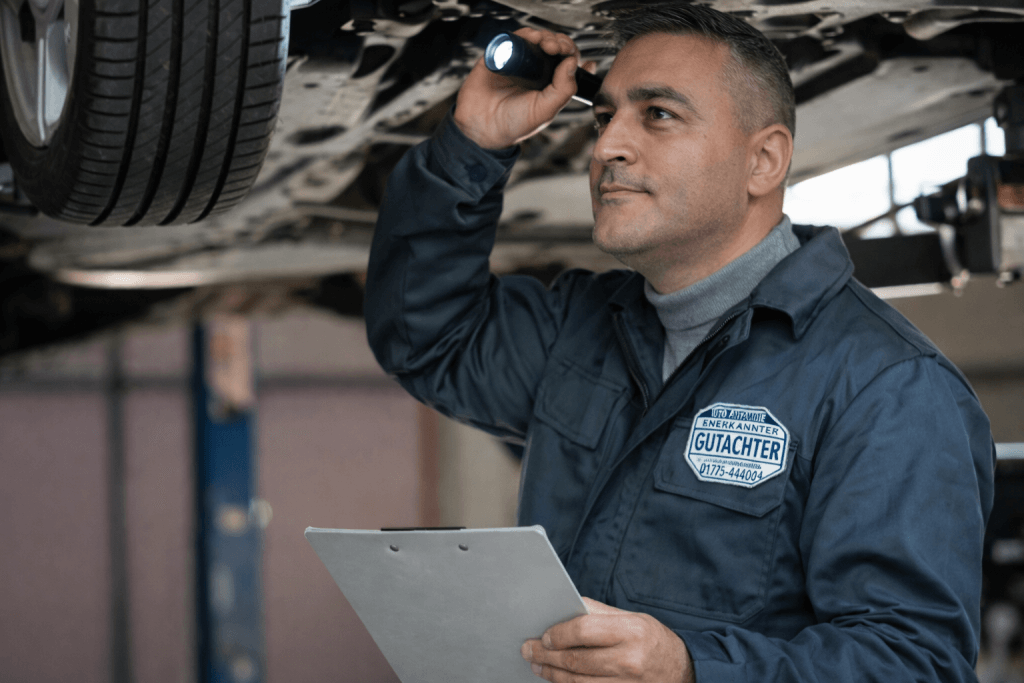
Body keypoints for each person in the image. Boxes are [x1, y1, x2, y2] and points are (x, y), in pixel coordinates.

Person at [363, 5, 996, 682]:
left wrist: (692, 668)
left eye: (658, 114)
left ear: (764, 159)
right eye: (605, 117)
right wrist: (472, 146)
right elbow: (426, 337)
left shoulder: (889, 388)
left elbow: (913, 664)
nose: (607, 147)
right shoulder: (581, 325)